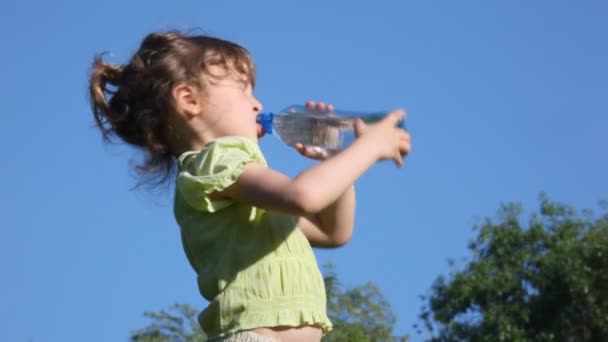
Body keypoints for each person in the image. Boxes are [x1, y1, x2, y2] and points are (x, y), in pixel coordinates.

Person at [88, 30, 411, 342]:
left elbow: (332, 232)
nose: (257, 105)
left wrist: (333, 159)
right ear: (189, 100)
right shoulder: (215, 162)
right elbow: (304, 196)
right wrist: (368, 147)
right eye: (244, 91)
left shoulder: (245, 193)